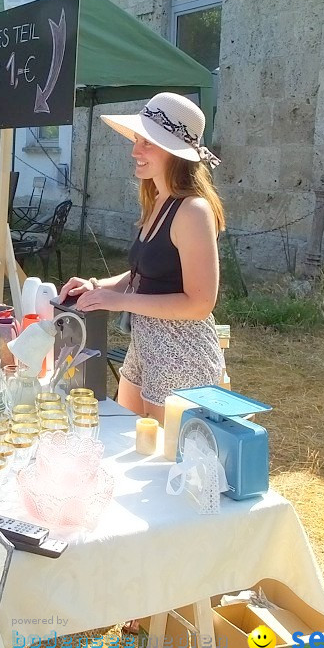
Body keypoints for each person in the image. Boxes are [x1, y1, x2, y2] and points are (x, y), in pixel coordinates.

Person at [59, 92, 225, 423]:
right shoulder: (160, 201)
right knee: (126, 446)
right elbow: (143, 275)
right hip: (146, 347)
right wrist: (96, 287)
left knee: (162, 464)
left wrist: (116, 301)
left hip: (182, 356)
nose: (135, 150)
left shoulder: (193, 210)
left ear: (174, 153)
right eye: (137, 139)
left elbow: (200, 303)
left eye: (147, 142)